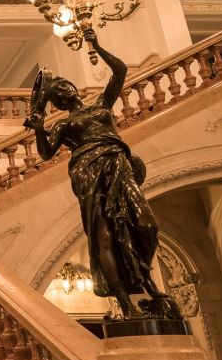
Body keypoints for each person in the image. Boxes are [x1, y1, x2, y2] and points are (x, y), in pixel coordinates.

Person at [24, 28, 179, 320]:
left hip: (118, 164)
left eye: (65, 85)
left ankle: (145, 277)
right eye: (57, 92)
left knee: (146, 225)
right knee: (103, 236)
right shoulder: (64, 125)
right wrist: (39, 127)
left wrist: (96, 44)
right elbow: (45, 153)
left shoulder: (100, 105)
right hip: (87, 172)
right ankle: (124, 301)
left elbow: (119, 71)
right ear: (56, 102)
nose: (64, 90)